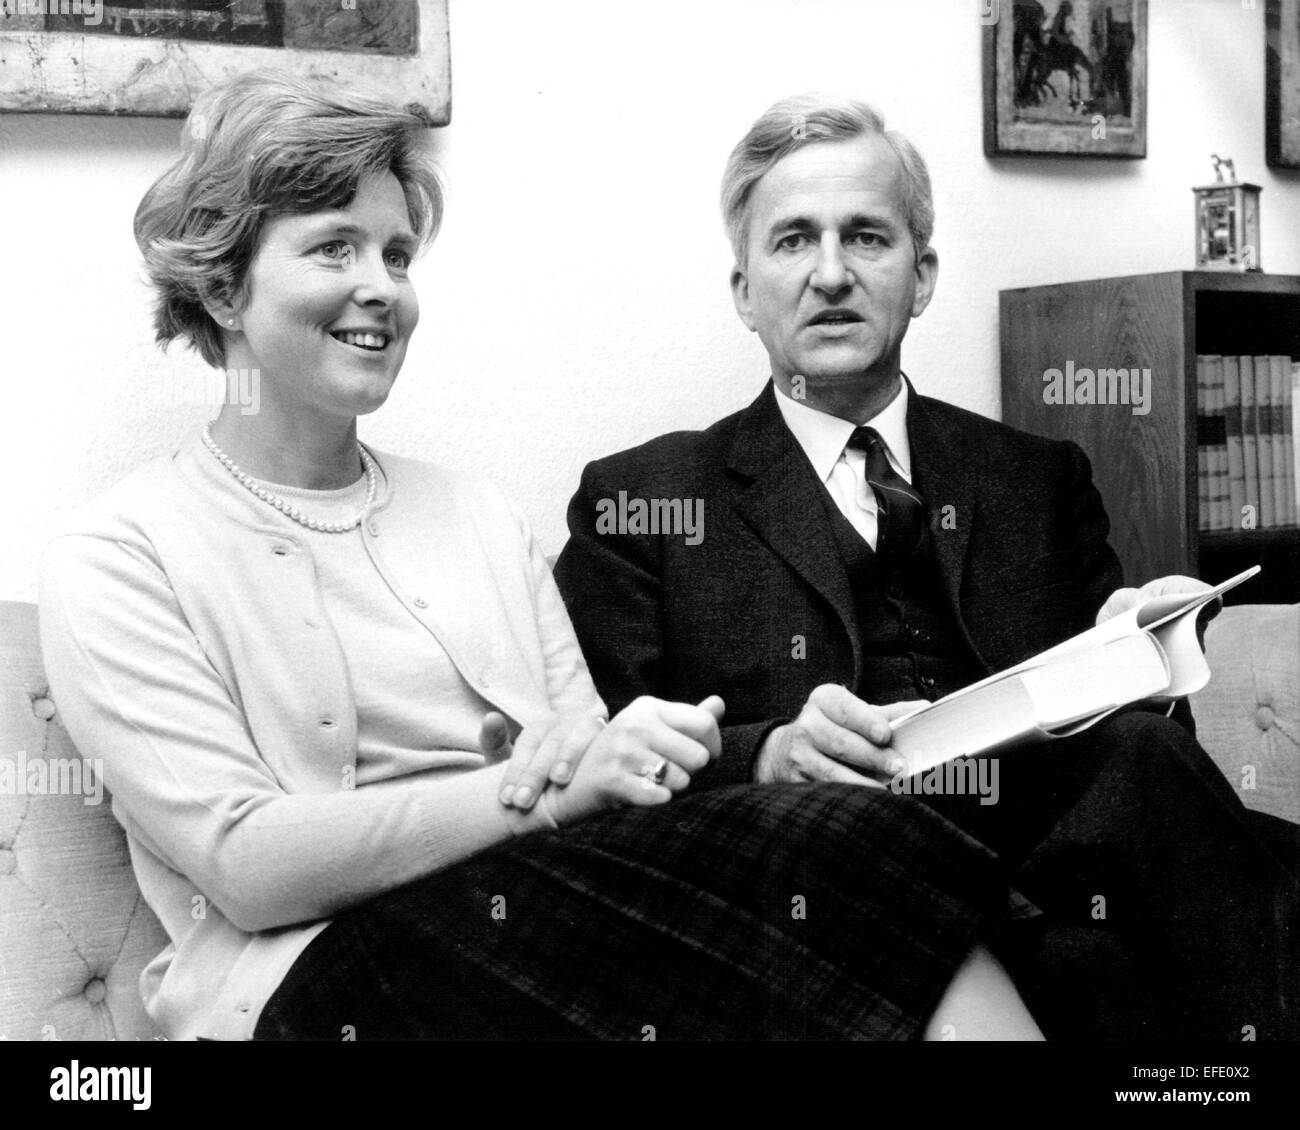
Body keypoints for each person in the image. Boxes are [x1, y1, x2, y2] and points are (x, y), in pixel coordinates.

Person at [38, 73, 1045, 1042]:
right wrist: (542, 794)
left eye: (396, 254)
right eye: (334, 248)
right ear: (220, 285)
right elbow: (248, 863)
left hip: (545, 920)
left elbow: (588, 754)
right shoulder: (121, 557)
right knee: (851, 841)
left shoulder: (476, 515)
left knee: (844, 836)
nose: (379, 288)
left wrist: (648, 748)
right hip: (316, 978)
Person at [554, 93, 1300, 1041]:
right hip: (829, 889)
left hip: (1055, 870)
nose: (831, 274)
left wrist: (1141, 661)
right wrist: (773, 752)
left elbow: (1142, 764)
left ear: (922, 275)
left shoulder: (1037, 478)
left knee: (1144, 780)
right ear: (744, 290)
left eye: (866, 237)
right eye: (792, 242)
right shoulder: (642, 504)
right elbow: (609, 767)